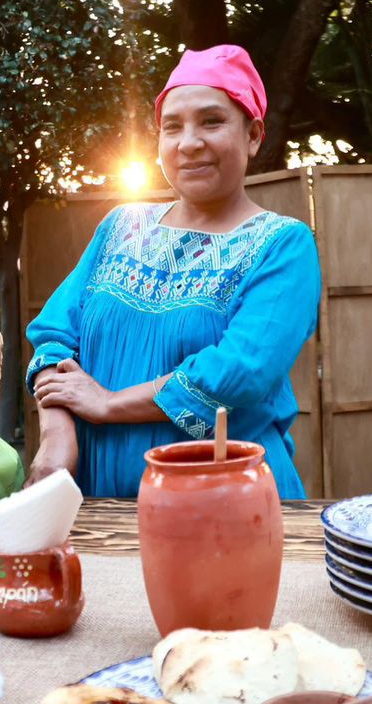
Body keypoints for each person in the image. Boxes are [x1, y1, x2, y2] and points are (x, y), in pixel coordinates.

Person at [26, 44, 321, 499]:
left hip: (225, 502)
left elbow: (239, 371)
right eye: (172, 127)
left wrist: (107, 404)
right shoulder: (121, 226)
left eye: (211, 121)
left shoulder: (282, 244)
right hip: (98, 506)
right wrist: (55, 439)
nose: (189, 143)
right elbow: (53, 337)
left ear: (253, 135)